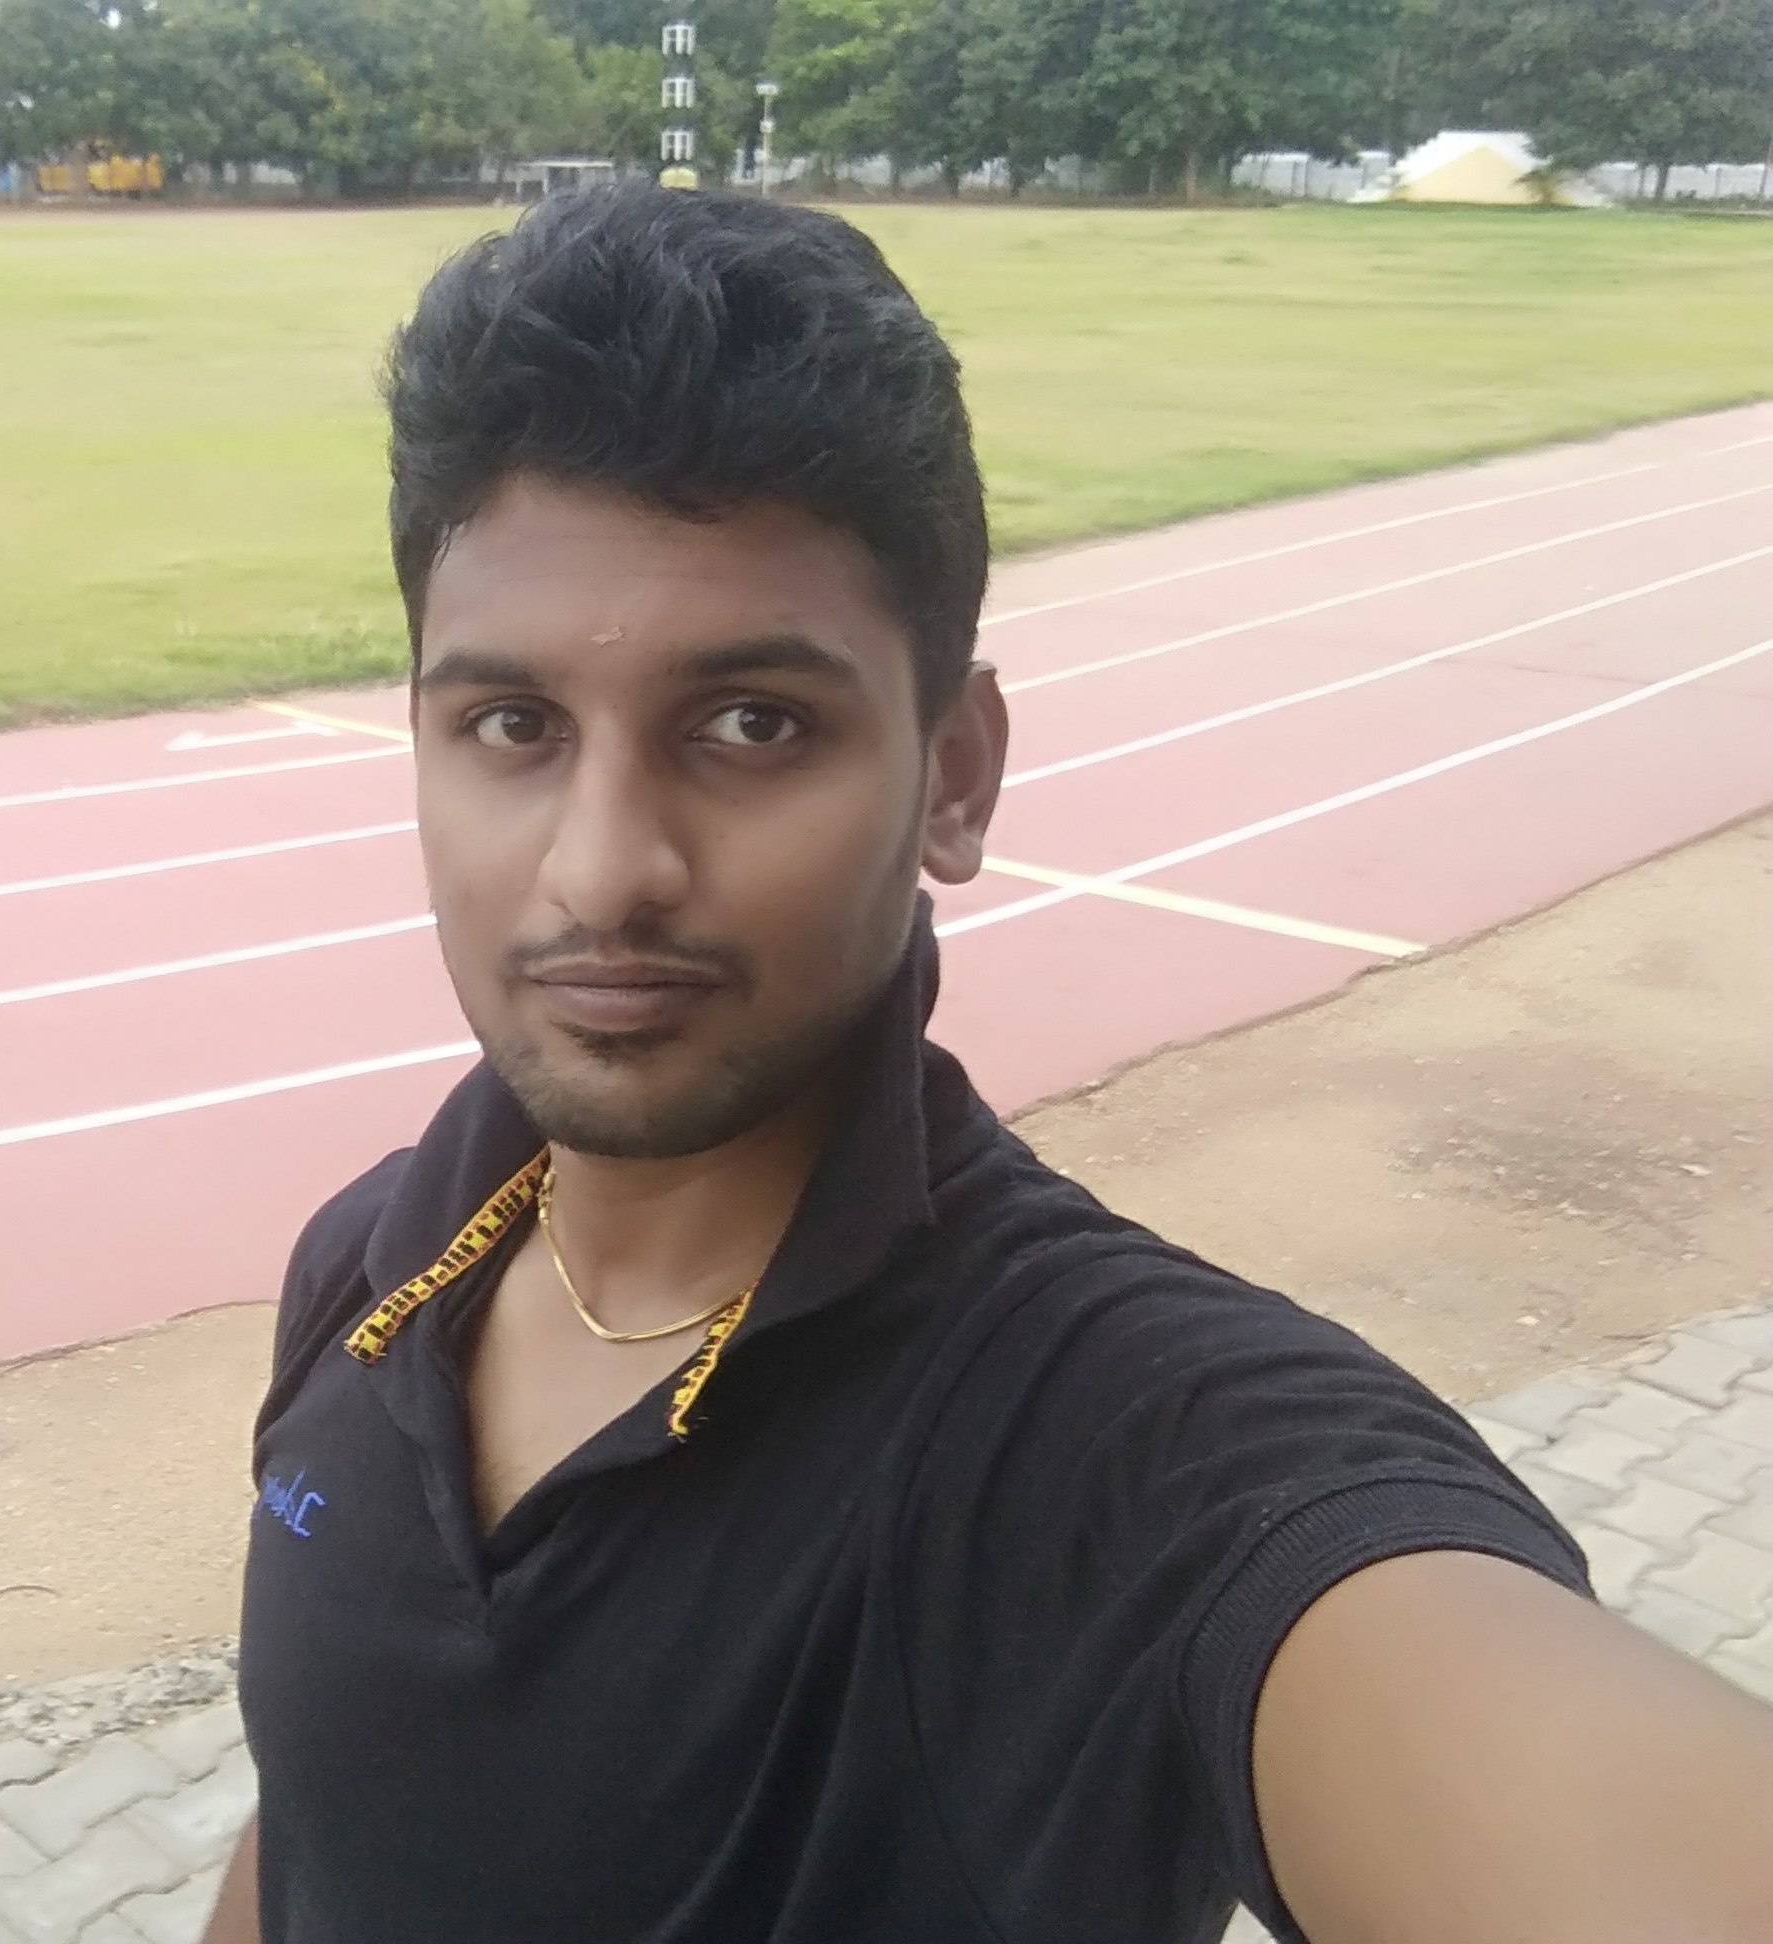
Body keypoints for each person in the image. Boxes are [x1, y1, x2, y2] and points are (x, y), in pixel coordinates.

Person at [202, 185, 1773, 1943]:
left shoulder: (1112, 1455)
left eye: (751, 724)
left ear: (954, 774)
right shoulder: (372, 1263)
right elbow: (318, 1808)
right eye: (512, 725)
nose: (601, 869)